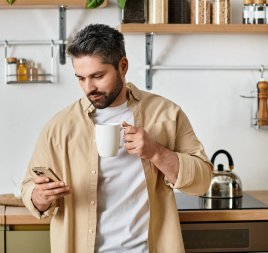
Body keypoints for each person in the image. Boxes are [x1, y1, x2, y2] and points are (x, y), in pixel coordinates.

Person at [21, 24, 212, 253]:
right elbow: (30, 187)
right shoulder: (60, 127)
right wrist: (39, 197)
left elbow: (202, 180)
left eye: (98, 76)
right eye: (80, 78)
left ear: (123, 66)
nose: (88, 87)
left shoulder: (167, 114)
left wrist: (156, 153)